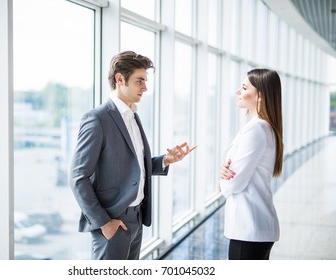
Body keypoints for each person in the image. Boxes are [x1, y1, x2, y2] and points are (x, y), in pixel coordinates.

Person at [70, 51, 196, 260]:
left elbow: (132, 165)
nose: (145, 88)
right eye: (140, 81)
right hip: (113, 221)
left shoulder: (132, 116)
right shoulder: (97, 119)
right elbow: (78, 178)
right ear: (120, 79)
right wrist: (104, 223)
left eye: (145, 81)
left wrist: (165, 160)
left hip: (136, 219)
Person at [218, 68, 283, 260]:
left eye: (244, 87)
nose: (238, 91)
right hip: (255, 228)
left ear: (260, 96)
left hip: (248, 229)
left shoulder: (256, 130)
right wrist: (226, 172)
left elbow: (233, 183)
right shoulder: (265, 127)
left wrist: (222, 180)